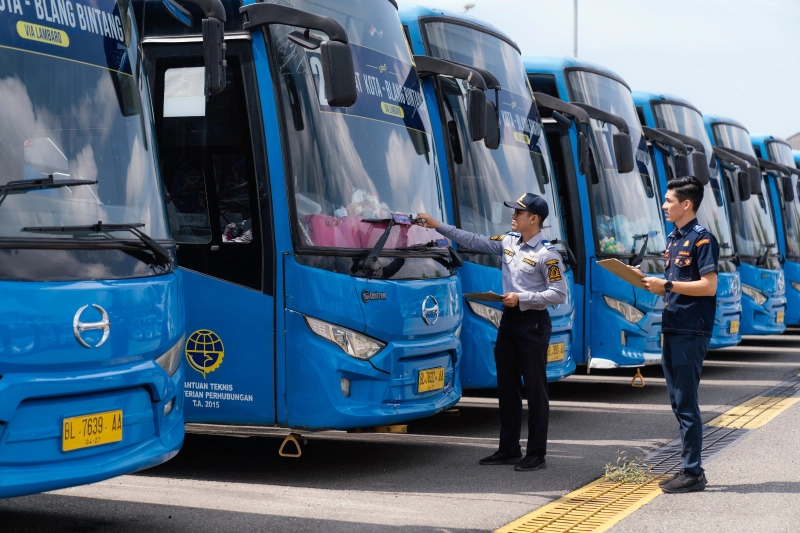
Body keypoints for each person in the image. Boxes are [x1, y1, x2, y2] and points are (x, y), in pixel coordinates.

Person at [417, 193, 567, 472]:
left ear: (533, 219)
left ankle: (537, 454)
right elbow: (473, 240)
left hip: (533, 324)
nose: (513, 216)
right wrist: (436, 225)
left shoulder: (548, 254)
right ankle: (509, 449)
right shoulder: (509, 241)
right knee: (507, 387)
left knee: (535, 391)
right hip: (509, 322)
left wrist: (522, 299)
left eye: (518, 213)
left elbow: (559, 294)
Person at [640, 176, 719, 494]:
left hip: (690, 330)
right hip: (672, 327)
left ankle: (693, 472)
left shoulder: (702, 239)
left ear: (687, 204)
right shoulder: (673, 239)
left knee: (686, 403)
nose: (664, 206)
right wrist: (653, 283)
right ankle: (689, 468)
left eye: (669, 200)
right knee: (677, 402)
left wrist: (668, 285)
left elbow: (709, 286)